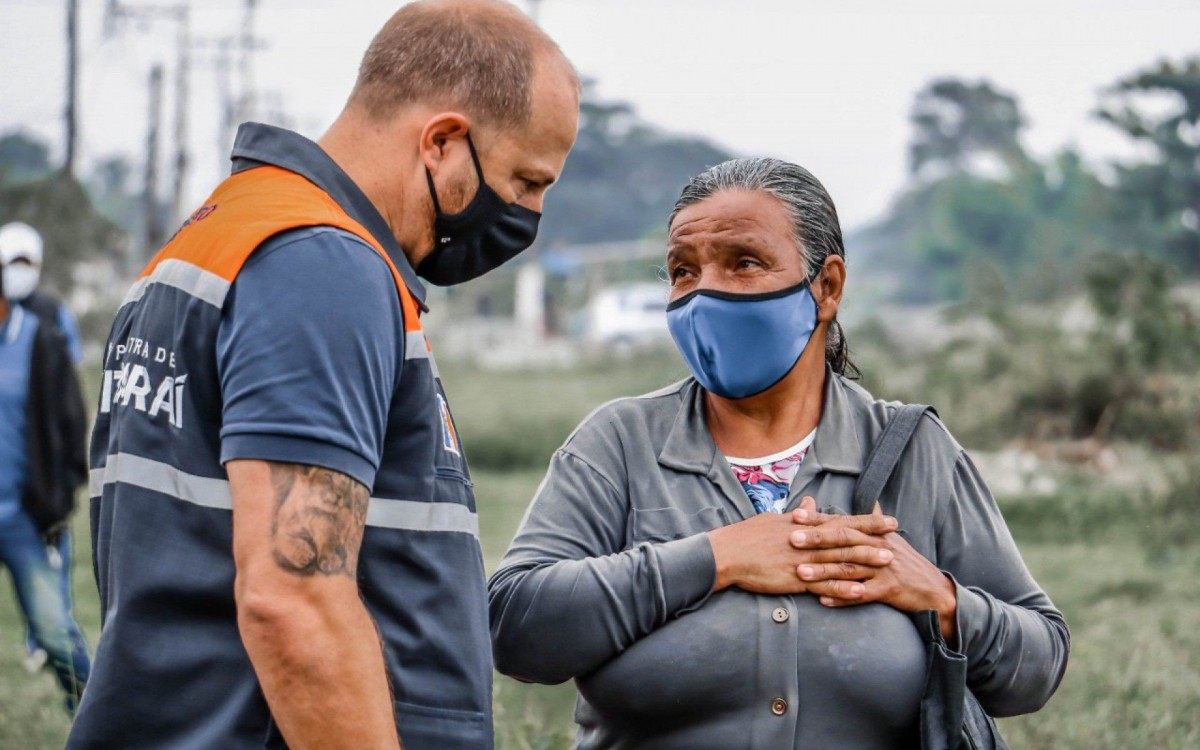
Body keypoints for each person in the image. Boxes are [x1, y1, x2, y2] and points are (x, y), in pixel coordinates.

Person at [70, 1, 579, 748]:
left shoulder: (227, 232)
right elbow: (294, 597)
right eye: (527, 181)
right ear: (442, 141)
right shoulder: (321, 266)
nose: (530, 213)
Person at [489, 158, 1070, 748]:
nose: (705, 292)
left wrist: (939, 598)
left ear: (827, 288)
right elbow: (516, 625)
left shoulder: (911, 450)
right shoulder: (619, 442)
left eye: (744, 263)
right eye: (683, 271)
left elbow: (1039, 662)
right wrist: (717, 558)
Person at [0, 254, 91, 711]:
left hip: (22, 518)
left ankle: (95, 718)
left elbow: (72, 424)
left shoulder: (40, 341)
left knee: (55, 631)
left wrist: (58, 503)